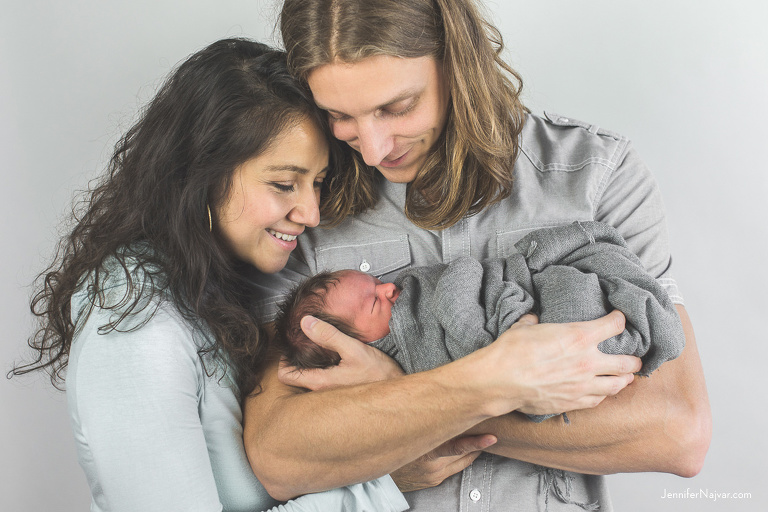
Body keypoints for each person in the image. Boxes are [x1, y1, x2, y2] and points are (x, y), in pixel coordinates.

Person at [244, 0, 711, 511]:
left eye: (397, 108)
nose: (373, 149)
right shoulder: (310, 206)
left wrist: (406, 402)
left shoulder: (598, 176)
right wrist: (487, 387)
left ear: (457, 65)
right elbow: (278, 456)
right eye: (339, 116)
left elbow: (676, 431)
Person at [9, 39, 409, 512]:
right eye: (284, 184)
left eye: (317, 183)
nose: (312, 213)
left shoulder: (209, 287)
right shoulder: (134, 324)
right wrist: (379, 480)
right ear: (204, 175)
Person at [273, 222, 686, 401]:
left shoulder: (409, 291)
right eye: (373, 301)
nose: (388, 287)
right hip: (518, 324)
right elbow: (465, 329)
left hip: (513, 287)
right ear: (352, 344)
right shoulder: (406, 355)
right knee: (572, 293)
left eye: (376, 281)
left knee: (572, 274)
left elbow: (453, 280)